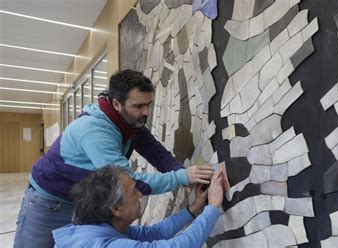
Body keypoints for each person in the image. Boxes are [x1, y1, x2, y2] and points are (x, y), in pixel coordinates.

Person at [14, 69, 214, 247]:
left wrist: (183, 174)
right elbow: (129, 182)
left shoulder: (130, 123)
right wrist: (182, 178)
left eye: (149, 105)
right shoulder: (94, 130)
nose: (146, 112)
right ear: (117, 104)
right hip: (49, 200)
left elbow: (158, 154)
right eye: (139, 106)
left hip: (84, 203)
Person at [53, 165, 224, 247]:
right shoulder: (103, 245)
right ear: (116, 209)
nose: (141, 195)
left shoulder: (103, 226)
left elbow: (155, 233)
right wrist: (213, 207)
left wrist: (195, 206)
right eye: (134, 192)